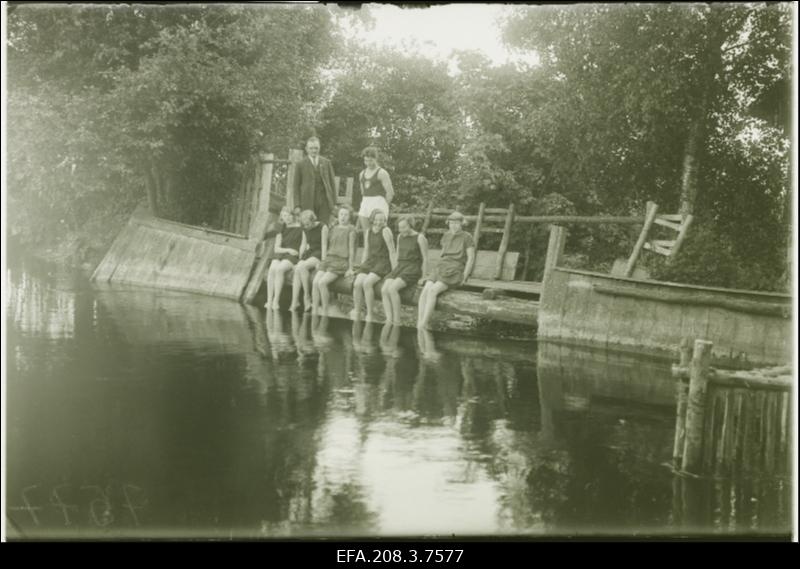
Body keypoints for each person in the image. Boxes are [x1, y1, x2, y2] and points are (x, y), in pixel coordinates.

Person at [417, 211, 475, 329]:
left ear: (461, 224)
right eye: (451, 223)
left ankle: (424, 323)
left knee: (433, 290)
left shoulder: (467, 237)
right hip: (442, 266)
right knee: (426, 289)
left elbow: (471, 258)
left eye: (456, 223)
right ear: (448, 223)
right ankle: (419, 321)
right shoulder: (446, 235)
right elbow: (443, 255)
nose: (453, 225)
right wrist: (436, 269)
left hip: (455, 268)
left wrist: (465, 276)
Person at [381, 215, 428, 324]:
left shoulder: (420, 238)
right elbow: (398, 255)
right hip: (400, 267)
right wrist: (394, 272)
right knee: (384, 290)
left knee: (392, 289)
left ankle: (397, 320)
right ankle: (389, 319)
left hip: (413, 268)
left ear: (411, 225)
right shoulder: (399, 237)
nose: (402, 230)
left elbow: (425, 259)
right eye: (400, 228)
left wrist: (424, 277)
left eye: (404, 227)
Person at [312, 204, 358, 314]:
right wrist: (323, 260)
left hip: (340, 262)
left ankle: (325, 309)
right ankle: (315, 308)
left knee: (322, 283)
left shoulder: (351, 230)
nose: (343, 217)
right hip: (329, 259)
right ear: (338, 215)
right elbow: (326, 245)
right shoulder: (333, 228)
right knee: (315, 282)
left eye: (346, 215)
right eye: (341, 214)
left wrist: (350, 268)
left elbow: (352, 250)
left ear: (350, 217)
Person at [352, 209, 395, 321]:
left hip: (383, 262)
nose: (379, 222)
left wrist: (395, 271)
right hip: (371, 261)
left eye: (381, 219)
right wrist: (362, 266)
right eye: (376, 219)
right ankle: (357, 310)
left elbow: (392, 251)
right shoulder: (368, 231)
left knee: (367, 283)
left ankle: (370, 314)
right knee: (357, 283)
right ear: (372, 220)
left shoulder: (386, 231)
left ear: (384, 220)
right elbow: (366, 250)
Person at [293, 136, 337, 225]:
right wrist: (297, 205)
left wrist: (334, 203)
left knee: (323, 226)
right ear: (306, 149)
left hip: (324, 202)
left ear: (319, 148)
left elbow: (332, 184)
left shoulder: (326, 163)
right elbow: (296, 186)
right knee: (308, 226)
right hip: (307, 201)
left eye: (316, 148)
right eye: (311, 148)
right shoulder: (300, 164)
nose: (314, 151)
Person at [265, 207, 302, 310]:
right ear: (282, 217)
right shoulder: (281, 228)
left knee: (280, 269)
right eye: (284, 216)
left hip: (293, 255)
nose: (287, 218)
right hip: (283, 252)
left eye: (289, 215)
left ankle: (276, 301)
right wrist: (287, 250)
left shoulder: (300, 228)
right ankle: (269, 300)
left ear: (293, 216)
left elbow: (303, 245)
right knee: (272, 269)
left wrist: (298, 256)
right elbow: (276, 249)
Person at [290, 210, 327, 312]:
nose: (306, 227)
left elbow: (324, 245)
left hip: (319, 253)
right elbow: (303, 243)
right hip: (310, 252)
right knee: (298, 268)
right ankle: (295, 301)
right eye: (304, 225)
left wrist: (323, 261)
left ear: (313, 220)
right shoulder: (305, 228)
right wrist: (300, 257)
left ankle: (306, 296)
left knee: (302, 267)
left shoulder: (322, 227)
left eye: (308, 224)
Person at [356, 146, 394, 238]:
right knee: (367, 233)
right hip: (366, 202)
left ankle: (384, 251)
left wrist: (383, 206)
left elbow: (390, 193)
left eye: (370, 160)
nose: (368, 163)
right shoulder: (362, 174)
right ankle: (368, 252)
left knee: (380, 233)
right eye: (366, 161)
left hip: (379, 202)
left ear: (375, 159)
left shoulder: (382, 173)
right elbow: (363, 192)